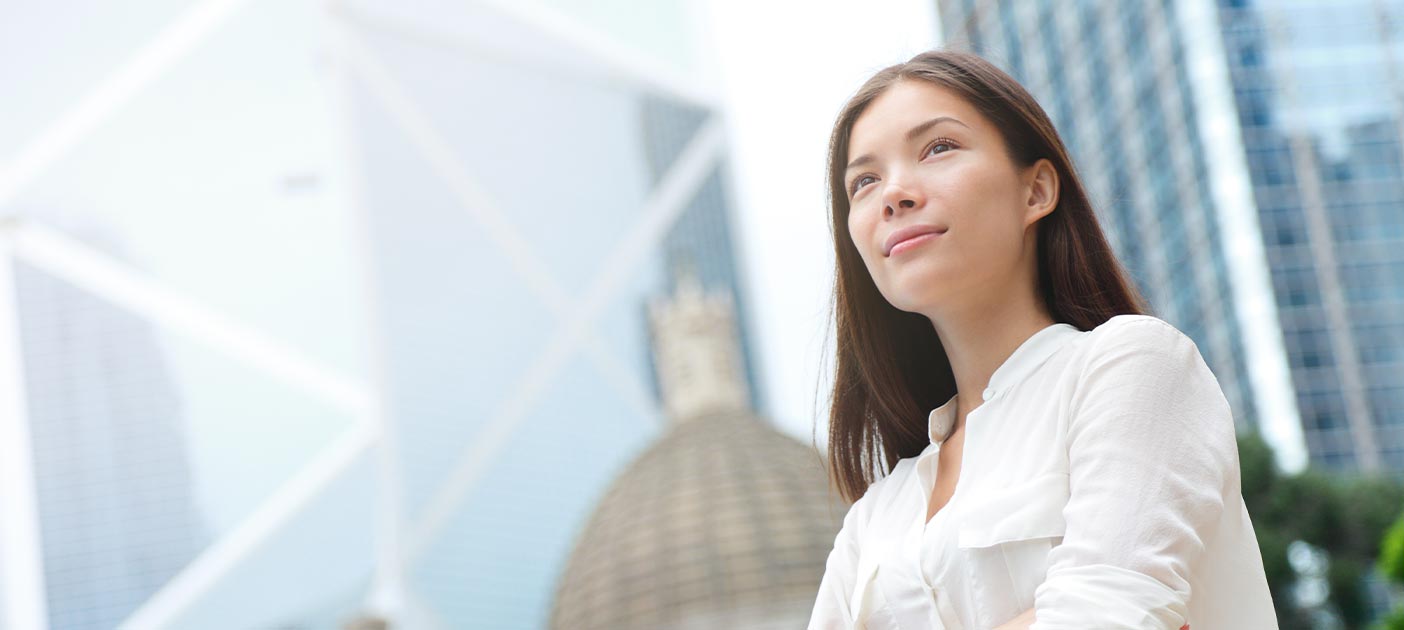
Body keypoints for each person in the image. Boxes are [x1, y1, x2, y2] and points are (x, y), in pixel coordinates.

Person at [807, 49, 1278, 629]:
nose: (894, 194)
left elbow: (1103, 618)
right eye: (864, 181)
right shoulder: (872, 523)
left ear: (1036, 191)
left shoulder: (1132, 366)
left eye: (938, 148)